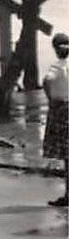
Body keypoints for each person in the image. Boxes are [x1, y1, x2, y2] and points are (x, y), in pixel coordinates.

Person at [44, 32, 68, 207]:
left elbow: (47, 80)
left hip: (61, 110)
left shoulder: (58, 66)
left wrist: (50, 97)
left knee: (67, 156)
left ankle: (68, 195)